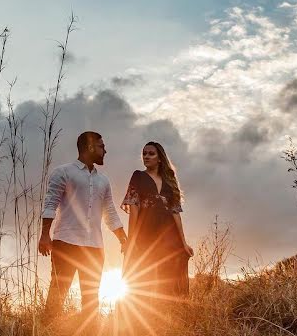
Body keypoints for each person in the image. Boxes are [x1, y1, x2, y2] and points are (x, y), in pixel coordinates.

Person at [40, 131, 128, 317]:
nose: (105, 151)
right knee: (57, 293)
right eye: (101, 146)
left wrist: (123, 238)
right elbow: (50, 203)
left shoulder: (103, 180)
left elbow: (110, 211)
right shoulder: (63, 172)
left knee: (90, 300)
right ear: (89, 147)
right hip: (66, 243)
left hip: (95, 248)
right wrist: (45, 235)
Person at [121, 141, 192, 302]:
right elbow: (134, 209)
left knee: (169, 277)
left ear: (160, 158)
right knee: (145, 275)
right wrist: (131, 240)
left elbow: (176, 213)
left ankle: (171, 314)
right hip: (146, 233)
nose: (146, 156)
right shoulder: (138, 176)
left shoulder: (170, 180)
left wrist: (184, 243)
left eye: (151, 153)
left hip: (169, 236)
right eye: (144, 153)